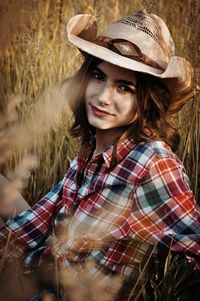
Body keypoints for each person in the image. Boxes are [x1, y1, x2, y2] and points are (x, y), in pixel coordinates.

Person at [0, 9, 200, 301]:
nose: (104, 97)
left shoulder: (153, 162)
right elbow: (37, 223)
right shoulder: (90, 153)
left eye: (124, 87)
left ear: (147, 101)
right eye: (98, 76)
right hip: (39, 276)